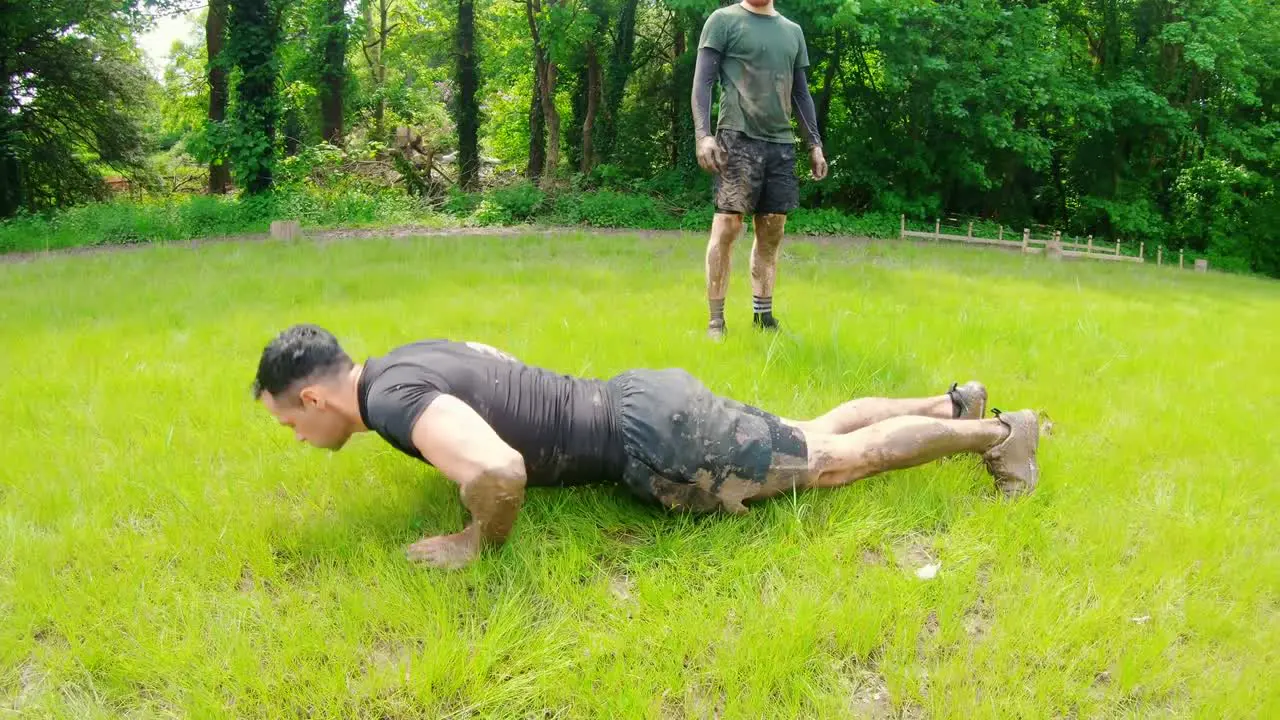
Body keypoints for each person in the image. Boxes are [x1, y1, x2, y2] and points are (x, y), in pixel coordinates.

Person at [253, 325, 1040, 569]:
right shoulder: (402, 358)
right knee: (811, 431)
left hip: (656, 440)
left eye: (290, 422)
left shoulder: (391, 402)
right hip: (638, 397)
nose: (297, 437)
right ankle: (951, 401)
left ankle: (999, 434)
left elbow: (498, 469)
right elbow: (488, 357)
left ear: (315, 397)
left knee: (833, 463)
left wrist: (474, 541)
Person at [692, 0, 828, 339]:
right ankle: (716, 321)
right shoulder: (723, 21)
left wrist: (814, 143)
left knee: (772, 231)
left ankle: (763, 318)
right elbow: (703, 82)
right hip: (736, 137)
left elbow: (801, 94)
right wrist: (703, 135)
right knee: (726, 227)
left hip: (780, 144)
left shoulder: (792, 31)